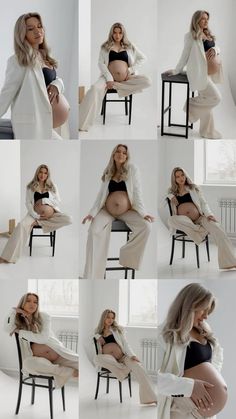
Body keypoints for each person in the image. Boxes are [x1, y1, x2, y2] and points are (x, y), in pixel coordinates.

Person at [82, 144, 154, 279]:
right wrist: (91, 213)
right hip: (107, 211)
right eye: (118, 152)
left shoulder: (132, 169)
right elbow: (100, 195)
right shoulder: (108, 171)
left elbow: (138, 193)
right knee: (93, 231)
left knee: (146, 226)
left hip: (127, 211)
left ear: (127, 156)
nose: (121, 154)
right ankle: (91, 275)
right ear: (113, 154)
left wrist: (144, 213)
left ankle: (126, 255)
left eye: (124, 153)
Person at [157, 283, 227, 419]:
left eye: (208, 311)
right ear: (189, 306)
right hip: (182, 409)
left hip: (204, 411)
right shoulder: (164, 335)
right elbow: (156, 380)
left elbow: (217, 357)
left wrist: (212, 386)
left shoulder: (204, 329)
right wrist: (191, 386)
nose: (206, 316)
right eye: (203, 310)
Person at [0, 12, 70, 140]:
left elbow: (54, 79)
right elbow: (6, 94)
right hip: (34, 124)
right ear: (22, 34)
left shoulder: (44, 56)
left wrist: (57, 85)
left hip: (50, 122)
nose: (38, 31)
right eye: (30, 29)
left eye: (39, 26)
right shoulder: (18, 60)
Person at [79, 22, 151, 131]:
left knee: (147, 81)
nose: (117, 35)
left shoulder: (130, 46)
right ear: (111, 33)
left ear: (123, 34)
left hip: (125, 79)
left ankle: (117, 85)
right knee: (94, 88)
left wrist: (130, 70)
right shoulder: (105, 46)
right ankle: (81, 123)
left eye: (120, 33)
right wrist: (109, 79)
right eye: (115, 33)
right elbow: (101, 63)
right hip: (107, 79)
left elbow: (143, 58)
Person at [165, 10, 223, 139]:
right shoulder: (191, 36)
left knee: (208, 101)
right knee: (216, 98)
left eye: (207, 18)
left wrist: (215, 49)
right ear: (196, 20)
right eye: (203, 19)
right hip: (199, 74)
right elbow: (184, 56)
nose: (206, 21)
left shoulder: (207, 34)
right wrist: (176, 70)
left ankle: (206, 131)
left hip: (208, 74)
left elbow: (218, 47)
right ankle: (190, 105)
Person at [0, 164, 72, 263]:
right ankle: (7, 257)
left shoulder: (52, 186)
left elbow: (58, 201)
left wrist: (45, 200)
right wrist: (35, 216)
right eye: (41, 172)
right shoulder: (30, 186)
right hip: (34, 215)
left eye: (45, 173)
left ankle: (40, 223)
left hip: (51, 214)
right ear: (37, 173)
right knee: (21, 226)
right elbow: (28, 203)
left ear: (48, 175)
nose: (43, 175)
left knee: (69, 219)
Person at [167, 167, 236, 269]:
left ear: (185, 175)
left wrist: (209, 215)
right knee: (171, 220)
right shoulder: (172, 192)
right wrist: (169, 196)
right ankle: (202, 232)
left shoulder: (193, 188)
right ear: (174, 179)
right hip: (186, 222)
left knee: (218, 229)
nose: (181, 178)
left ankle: (230, 262)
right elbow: (161, 203)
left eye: (182, 175)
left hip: (200, 218)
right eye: (177, 176)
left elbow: (204, 203)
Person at [5, 293, 78, 388]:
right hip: (39, 362)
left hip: (59, 356)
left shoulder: (44, 317)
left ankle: (62, 371)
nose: (32, 304)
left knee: (82, 366)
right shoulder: (17, 320)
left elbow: (42, 339)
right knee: (28, 364)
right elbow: (7, 328)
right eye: (28, 301)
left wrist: (20, 332)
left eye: (35, 302)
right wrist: (13, 311)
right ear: (22, 303)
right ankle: (66, 372)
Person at [94, 309, 156, 405]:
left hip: (123, 357)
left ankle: (151, 398)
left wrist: (132, 355)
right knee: (97, 358)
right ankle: (124, 369)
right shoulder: (98, 332)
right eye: (108, 317)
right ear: (103, 318)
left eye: (112, 318)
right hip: (111, 360)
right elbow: (90, 336)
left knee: (140, 368)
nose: (110, 320)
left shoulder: (117, 330)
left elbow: (126, 344)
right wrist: (98, 336)